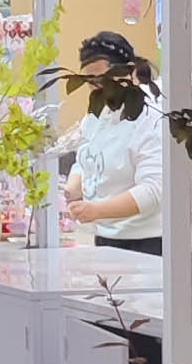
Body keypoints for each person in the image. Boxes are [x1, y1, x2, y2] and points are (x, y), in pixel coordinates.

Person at [56, 29, 161, 228]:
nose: (96, 86)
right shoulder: (96, 115)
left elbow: (154, 190)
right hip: (107, 233)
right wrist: (72, 187)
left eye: (101, 78)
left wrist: (97, 210)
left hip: (148, 236)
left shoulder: (150, 117)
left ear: (127, 72)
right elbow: (85, 159)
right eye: (89, 80)